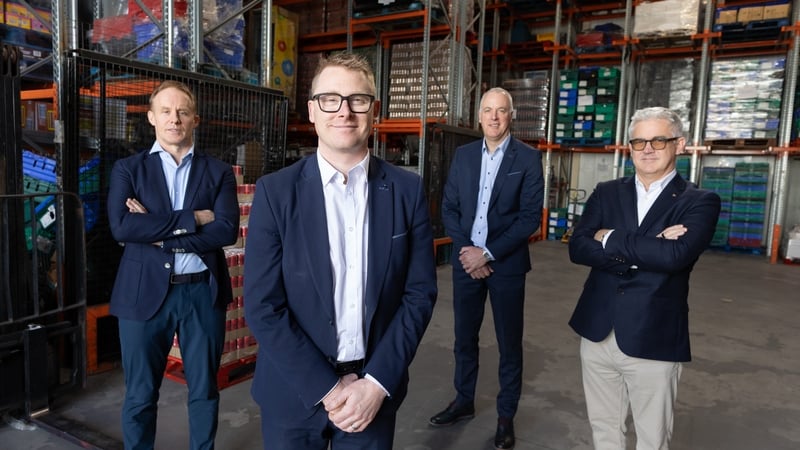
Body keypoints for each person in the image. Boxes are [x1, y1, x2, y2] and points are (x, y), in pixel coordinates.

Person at [243, 52, 437, 449]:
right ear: (313, 111)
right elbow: (263, 305)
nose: (344, 112)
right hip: (293, 392)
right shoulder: (276, 193)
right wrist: (328, 389)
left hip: (373, 393)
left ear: (374, 111)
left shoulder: (406, 190)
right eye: (330, 99)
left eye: (358, 100)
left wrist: (376, 384)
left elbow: (419, 295)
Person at [568, 106, 721, 449]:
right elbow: (577, 247)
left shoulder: (700, 201)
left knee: (652, 438)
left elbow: (675, 256)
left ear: (679, 145)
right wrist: (648, 249)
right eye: (639, 142)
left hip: (654, 336)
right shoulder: (607, 191)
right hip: (597, 331)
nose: (647, 149)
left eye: (658, 140)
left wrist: (608, 237)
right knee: (604, 430)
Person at [107, 80, 240, 450]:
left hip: (201, 292)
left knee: (204, 390)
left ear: (195, 119)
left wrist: (158, 232)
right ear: (151, 117)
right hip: (142, 295)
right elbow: (122, 225)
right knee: (140, 394)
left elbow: (226, 231)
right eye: (165, 111)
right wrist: (195, 217)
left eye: (182, 111)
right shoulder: (128, 170)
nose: (174, 118)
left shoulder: (218, 172)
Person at [430, 87, 544, 450]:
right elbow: (449, 207)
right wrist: (468, 252)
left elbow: (529, 219)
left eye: (501, 111)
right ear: (478, 116)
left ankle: (505, 416)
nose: (494, 117)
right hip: (467, 263)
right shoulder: (463, 156)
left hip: (506, 265)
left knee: (510, 344)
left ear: (511, 116)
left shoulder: (527, 158)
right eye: (487, 110)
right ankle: (463, 401)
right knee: (464, 338)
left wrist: (488, 253)